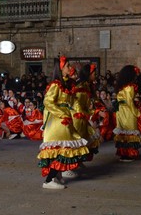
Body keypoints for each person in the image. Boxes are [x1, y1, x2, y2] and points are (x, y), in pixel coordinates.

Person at [37, 55, 90, 189]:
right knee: (60, 151)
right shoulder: (56, 84)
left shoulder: (66, 84)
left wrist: (78, 112)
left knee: (65, 149)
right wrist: (62, 114)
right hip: (58, 121)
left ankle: (57, 176)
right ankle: (49, 180)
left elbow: (73, 101)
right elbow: (48, 102)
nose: (70, 68)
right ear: (61, 68)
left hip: (65, 120)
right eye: (67, 66)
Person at [113, 65, 141, 162]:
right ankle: (129, 154)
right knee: (130, 131)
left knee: (122, 132)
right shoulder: (130, 87)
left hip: (120, 112)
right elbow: (130, 102)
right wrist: (137, 113)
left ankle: (123, 153)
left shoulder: (121, 87)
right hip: (128, 112)